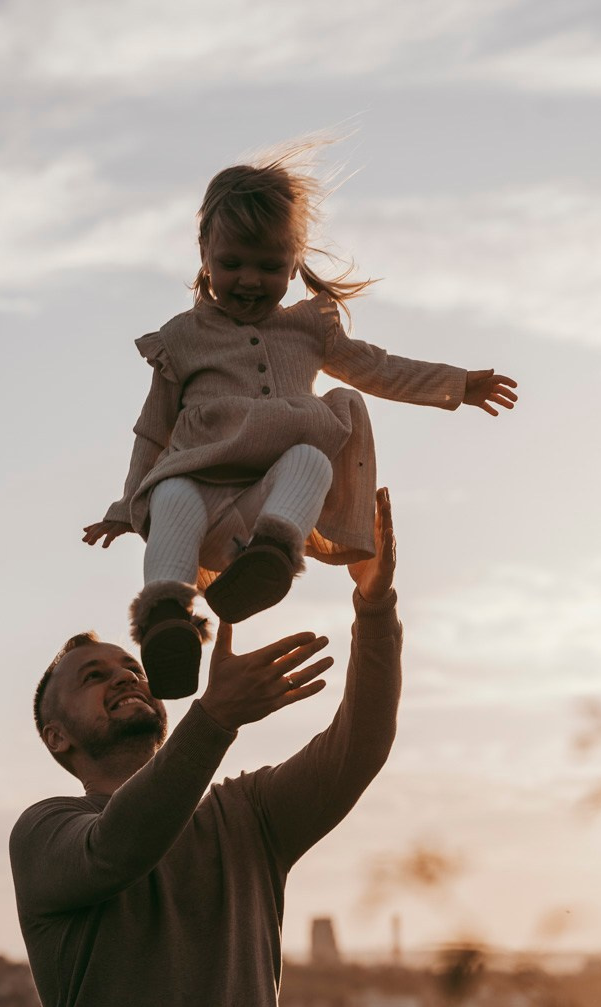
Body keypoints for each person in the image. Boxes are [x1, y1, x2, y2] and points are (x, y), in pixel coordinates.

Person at [11, 488, 402, 1007]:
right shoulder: (44, 832)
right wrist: (215, 719)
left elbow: (360, 745)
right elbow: (121, 847)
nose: (124, 676)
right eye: (93, 677)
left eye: (129, 668)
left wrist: (375, 607)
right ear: (57, 738)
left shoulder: (245, 813)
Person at [83, 148, 517, 699]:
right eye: (232, 263)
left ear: (293, 262)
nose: (249, 279)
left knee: (311, 456)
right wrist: (124, 507)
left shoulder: (311, 329)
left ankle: (270, 557)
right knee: (170, 493)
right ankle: (169, 620)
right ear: (205, 254)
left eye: (269, 266)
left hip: (257, 515)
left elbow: (376, 368)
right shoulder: (182, 337)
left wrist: (455, 384)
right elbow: (153, 430)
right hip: (197, 498)